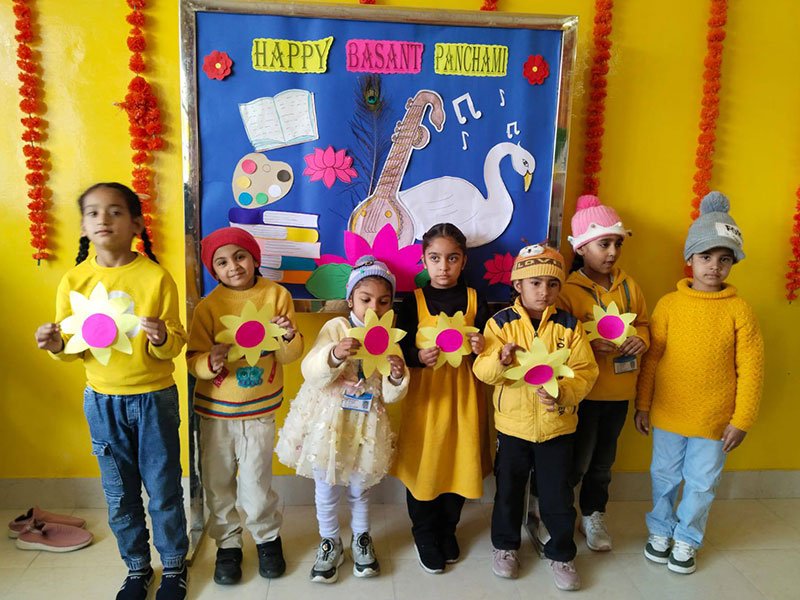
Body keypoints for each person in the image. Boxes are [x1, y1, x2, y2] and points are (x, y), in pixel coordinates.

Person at [34, 182, 189, 600]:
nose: (103, 219)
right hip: (102, 401)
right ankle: (137, 568)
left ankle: (174, 565)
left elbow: (176, 342)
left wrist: (161, 338)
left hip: (154, 398)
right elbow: (71, 346)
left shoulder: (156, 277)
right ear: (84, 226)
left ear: (136, 224)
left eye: (116, 211)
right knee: (119, 494)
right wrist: (55, 345)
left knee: (164, 489)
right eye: (93, 212)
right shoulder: (75, 280)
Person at [635, 191, 764, 574]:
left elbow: (752, 368)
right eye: (706, 257)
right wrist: (643, 404)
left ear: (733, 264)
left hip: (714, 419)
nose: (714, 267)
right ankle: (661, 530)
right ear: (690, 258)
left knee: (702, 482)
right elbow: (652, 358)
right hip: (668, 412)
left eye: (725, 259)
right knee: (663, 475)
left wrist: (742, 419)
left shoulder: (739, 311)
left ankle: (687, 538)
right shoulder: (669, 305)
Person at [473, 244, 598, 591]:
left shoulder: (569, 326)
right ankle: (505, 547)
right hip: (513, 427)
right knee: (508, 492)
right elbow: (482, 372)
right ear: (518, 285)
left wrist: (563, 392)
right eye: (535, 283)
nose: (544, 291)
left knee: (558, 495)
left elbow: (586, 372)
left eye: (552, 284)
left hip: (557, 427)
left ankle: (561, 553)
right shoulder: (500, 324)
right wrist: (500, 359)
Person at [276, 256, 409, 583]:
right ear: (351, 300)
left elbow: (392, 394)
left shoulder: (389, 336)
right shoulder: (336, 327)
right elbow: (311, 371)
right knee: (326, 486)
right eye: (365, 300)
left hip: (366, 425)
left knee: (360, 486)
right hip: (330, 424)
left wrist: (396, 375)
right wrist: (334, 355)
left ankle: (361, 537)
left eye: (383, 302)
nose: (374, 308)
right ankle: (330, 540)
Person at [186, 227, 303, 585]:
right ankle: (228, 544)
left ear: (254, 258)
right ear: (214, 270)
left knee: (256, 481)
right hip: (215, 412)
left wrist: (287, 335)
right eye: (222, 262)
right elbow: (193, 359)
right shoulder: (208, 307)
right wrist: (210, 362)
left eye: (240, 257)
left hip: (259, 411)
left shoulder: (277, 295)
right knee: (217, 482)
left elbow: (289, 355)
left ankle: (267, 538)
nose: (233, 266)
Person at [392, 223, 492, 574]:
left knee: (460, 461)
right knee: (426, 464)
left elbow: (491, 350)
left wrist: (482, 346)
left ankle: (448, 528)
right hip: (427, 399)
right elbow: (399, 348)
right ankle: (424, 533)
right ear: (423, 260)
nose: (443, 266)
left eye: (452, 258)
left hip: (465, 397)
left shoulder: (476, 299)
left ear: (463, 261)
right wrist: (418, 357)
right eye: (435, 258)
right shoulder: (413, 301)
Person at [557, 194, 650, 551]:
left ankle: (593, 514)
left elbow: (644, 324)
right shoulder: (567, 291)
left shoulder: (629, 286)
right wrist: (588, 346)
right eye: (604, 244)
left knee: (603, 462)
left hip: (619, 394)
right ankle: (557, 512)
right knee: (575, 460)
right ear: (581, 248)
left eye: (617, 244)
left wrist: (641, 339)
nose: (612, 252)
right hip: (583, 394)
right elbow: (556, 338)